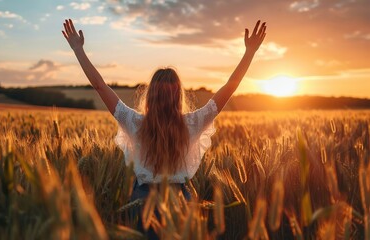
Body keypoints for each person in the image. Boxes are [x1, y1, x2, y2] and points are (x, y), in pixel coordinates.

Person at [62, 19, 266, 237]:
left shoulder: (134, 123)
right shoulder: (192, 123)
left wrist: (78, 50)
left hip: (141, 201)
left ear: (150, 95)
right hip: (181, 200)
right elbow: (230, 87)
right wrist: (249, 53)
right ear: (178, 96)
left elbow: (100, 86)